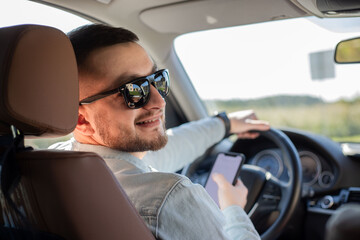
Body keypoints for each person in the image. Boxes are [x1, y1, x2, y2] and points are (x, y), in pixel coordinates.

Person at [50, 24, 270, 239]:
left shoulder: (49, 165)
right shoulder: (169, 198)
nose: (159, 101)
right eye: (133, 91)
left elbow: (167, 150)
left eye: (157, 80)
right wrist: (233, 209)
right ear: (80, 119)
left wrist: (225, 123)